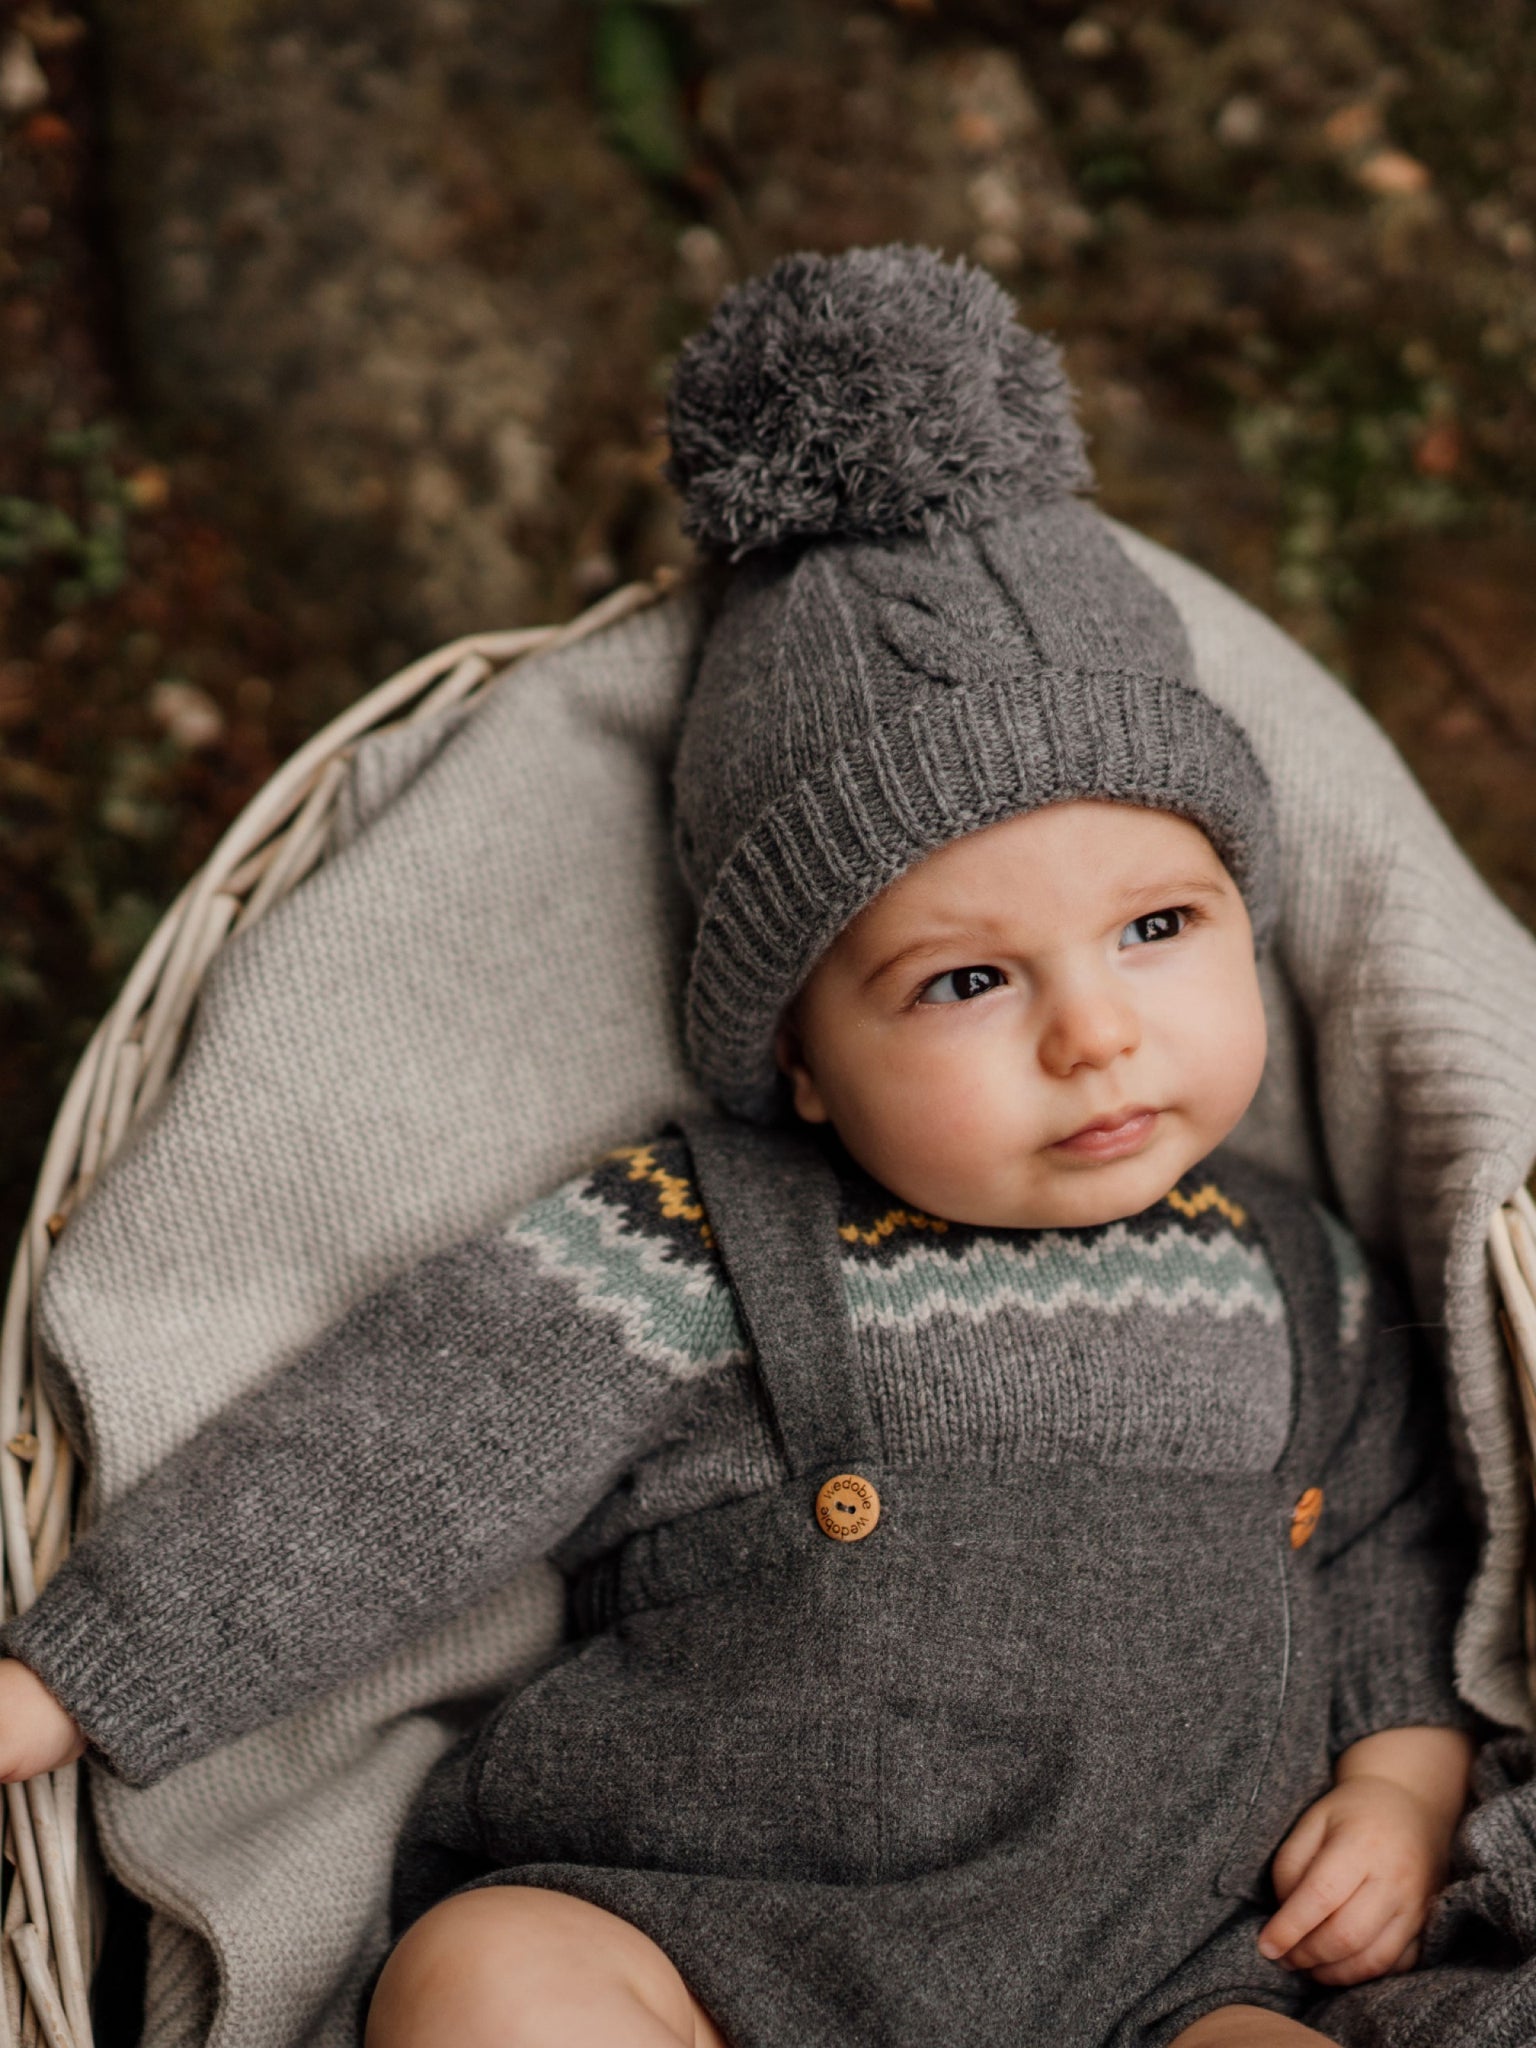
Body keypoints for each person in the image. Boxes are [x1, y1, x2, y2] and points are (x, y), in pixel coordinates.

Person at [0, 247, 1492, 2047]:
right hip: (712, 1933)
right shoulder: (695, 1239)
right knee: (486, 1985)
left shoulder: (1300, 1273)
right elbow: (391, 1460)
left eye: (1160, 928)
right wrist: (73, 1683)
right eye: (962, 978)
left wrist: (1403, 1784)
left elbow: (1398, 1548)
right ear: (799, 1058)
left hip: (1157, 1978)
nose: (1093, 1029)